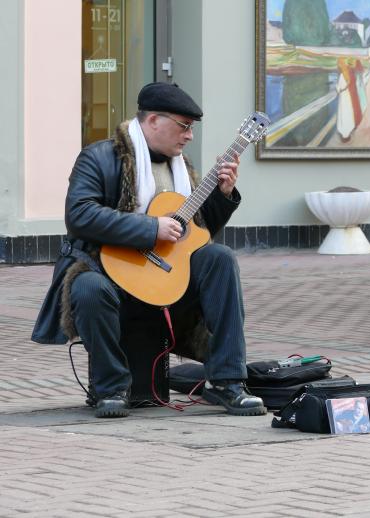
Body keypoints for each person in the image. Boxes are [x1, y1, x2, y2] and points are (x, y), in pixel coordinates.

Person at [31, 82, 266, 419]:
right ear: (153, 120)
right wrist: (150, 228)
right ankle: (110, 388)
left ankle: (227, 381)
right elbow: (79, 214)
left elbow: (196, 235)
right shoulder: (99, 158)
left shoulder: (181, 168)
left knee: (221, 258)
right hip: (106, 270)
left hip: (164, 277)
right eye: (183, 126)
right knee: (86, 287)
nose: (189, 136)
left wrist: (222, 195)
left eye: (192, 128)